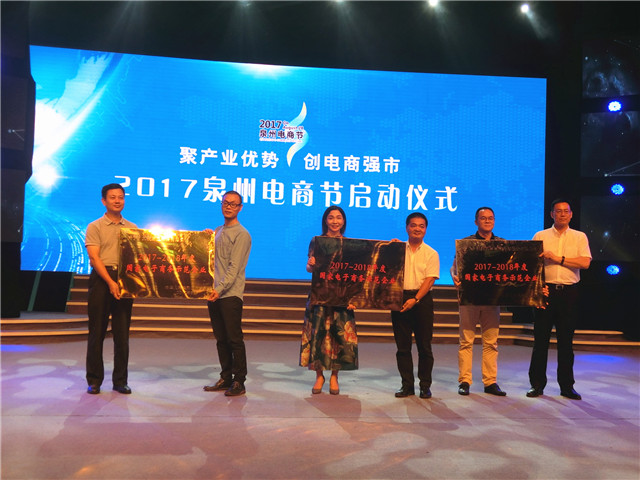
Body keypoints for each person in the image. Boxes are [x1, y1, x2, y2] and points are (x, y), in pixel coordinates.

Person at [527, 199, 591, 400]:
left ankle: (567, 386)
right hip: (545, 292)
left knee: (566, 342)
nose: (562, 214)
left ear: (571, 214)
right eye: (558, 211)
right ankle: (537, 385)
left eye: (566, 211)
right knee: (540, 341)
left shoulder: (579, 237)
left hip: (568, 293)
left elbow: (585, 263)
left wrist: (558, 259)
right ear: (551, 214)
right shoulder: (541, 235)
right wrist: (539, 287)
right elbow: (531, 264)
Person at [85, 183, 137, 395]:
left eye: (121, 197)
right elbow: (94, 258)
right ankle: (94, 380)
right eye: (113, 197)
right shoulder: (95, 226)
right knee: (96, 332)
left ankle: (120, 381)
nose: (117, 200)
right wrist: (110, 282)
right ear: (104, 201)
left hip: (125, 280)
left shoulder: (132, 228)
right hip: (101, 279)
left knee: (122, 334)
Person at [299, 206, 358, 395]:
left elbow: (356, 273)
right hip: (320, 296)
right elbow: (310, 268)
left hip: (342, 298)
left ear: (343, 221)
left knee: (338, 337)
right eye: (331, 217)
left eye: (338, 218)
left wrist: (353, 298)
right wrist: (310, 265)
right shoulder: (317, 241)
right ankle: (319, 376)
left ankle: (334, 376)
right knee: (317, 335)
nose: (335, 221)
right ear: (325, 220)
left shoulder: (350, 245)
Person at [451, 207, 507, 397]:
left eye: (490, 218)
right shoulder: (466, 244)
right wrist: (454, 276)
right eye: (483, 218)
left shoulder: (503, 245)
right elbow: (454, 268)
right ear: (476, 221)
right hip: (470, 298)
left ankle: (490, 381)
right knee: (466, 341)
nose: (487, 221)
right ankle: (465, 380)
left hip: (492, 300)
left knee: (491, 342)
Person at [203, 191, 252, 397]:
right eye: (225, 203)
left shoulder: (242, 234)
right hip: (214, 293)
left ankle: (239, 381)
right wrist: (204, 240)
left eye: (233, 204)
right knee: (221, 339)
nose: (228, 207)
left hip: (230, 294)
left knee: (234, 339)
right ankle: (226, 377)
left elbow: (234, 268)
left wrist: (219, 289)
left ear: (240, 208)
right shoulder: (218, 231)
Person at [392, 212, 440, 399]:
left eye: (421, 226)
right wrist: (389, 249)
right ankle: (407, 386)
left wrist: (416, 299)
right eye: (413, 225)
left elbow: (430, 280)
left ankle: (425, 386)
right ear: (407, 228)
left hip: (422, 301)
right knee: (402, 347)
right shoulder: (397, 250)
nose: (417, 229)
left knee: (424, 346)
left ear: (425, 229)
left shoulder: (431, 253)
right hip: (400, 298)